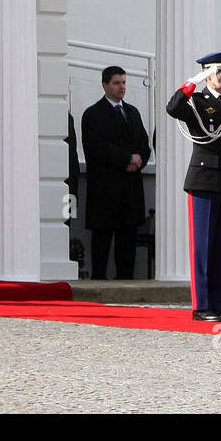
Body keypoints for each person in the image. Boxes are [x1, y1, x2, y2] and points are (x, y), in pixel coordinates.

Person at [167, 51, 221, 320]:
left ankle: (219, 305)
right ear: (209, 75)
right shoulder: (197, 102)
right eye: (219, 72)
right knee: (202, 245)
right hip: (204, 179)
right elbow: (173, 107)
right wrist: (194, 81)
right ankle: (201, 306)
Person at [81, 66, 152, 280]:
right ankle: (99, 281)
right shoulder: (93, 114)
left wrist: (138, 159)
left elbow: (144, 143)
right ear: (105, 85)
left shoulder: (132, 112)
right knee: (102, 239)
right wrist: (126, 159)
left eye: (123, 82)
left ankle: (126, 280)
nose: (121, 87)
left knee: (127, 240)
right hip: (105, 189)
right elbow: (97, 147)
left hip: (129, 189)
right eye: (116, 83)